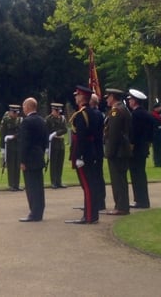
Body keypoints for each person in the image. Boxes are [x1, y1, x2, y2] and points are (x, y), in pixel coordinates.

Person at [65, 85, 101, 224]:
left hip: (84, 154)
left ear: (82, 97)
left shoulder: (82, 114)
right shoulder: (94, 113)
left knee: (87, 186)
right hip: (92, 152)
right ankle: (92, 214)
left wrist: (79, 156)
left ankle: (89, 216)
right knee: (90, 185)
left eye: (77, 95)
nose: (75, 97)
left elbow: (81, 137)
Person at [103, 88, 132, 216]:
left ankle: (121, 206)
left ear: (113, 97)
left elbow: (113, 134)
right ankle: (122, 205)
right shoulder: (123, 109)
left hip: (117, 151)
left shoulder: (116, 111)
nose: (107, 99)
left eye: (108, 97)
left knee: (118, 180)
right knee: (121, 179)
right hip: (123, 149)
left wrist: (109, 152)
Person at [18, 98, 46, 222]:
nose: (23, 108)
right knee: (38, 186)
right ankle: (39, 211)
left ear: (28, 107)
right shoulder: (41, 120)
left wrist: (22, 160)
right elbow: (45, 140)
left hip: (29, 158)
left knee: (31, 186)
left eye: (24, 106)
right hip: (39, 155)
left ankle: (34, 213)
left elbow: (25, 143)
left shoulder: (26, 122)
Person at [127, 88, 154, 208]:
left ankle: (140, 200)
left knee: (136, 174)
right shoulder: (147, 114)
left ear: (135, 101)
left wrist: (130, 146)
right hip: (144, 147)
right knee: (141, 174)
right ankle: (143, 199)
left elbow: (133, 133)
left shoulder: (135, 115)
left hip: (136, 148)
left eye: (131, 99)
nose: (129, 101)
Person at [89, 93, 107, 212]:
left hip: (94, 148)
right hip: (98, 149)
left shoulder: (94, 114)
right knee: (98, 176)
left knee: (95, 176)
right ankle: (98, 201)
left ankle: (97, 201)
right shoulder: (99, 114)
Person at [0, 104, 23, 191]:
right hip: (9, 145)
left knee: (17, 165)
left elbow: (22, 132)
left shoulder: (20, 120)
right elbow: (2, 134)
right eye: (14, 112)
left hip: (18, 145)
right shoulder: (6, 120)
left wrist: (14, 136)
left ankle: (16, 184)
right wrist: (2, 147)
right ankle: (11, 184)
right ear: (10, 112)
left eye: (16, 112)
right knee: (11, 165)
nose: (16, 114)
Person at [45, 103, 68, 189]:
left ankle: (59, 181)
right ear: (53, 110)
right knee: (53, 163)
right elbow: (46, 133)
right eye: (57, 111)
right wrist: (47, 147)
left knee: (60, 163)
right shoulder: (48, 119)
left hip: (60, 143)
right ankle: (53, 182)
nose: (58, 113)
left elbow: (65, 130)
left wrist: (56, 133)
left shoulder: (62, 119)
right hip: (53, 144)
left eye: (59, 111)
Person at [150, 102, 161, 167]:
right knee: (156, 149)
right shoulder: (153, 115)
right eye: (159, 107)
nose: (160, 108)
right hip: (155, 134)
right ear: (155, 108)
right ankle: (157, 163)